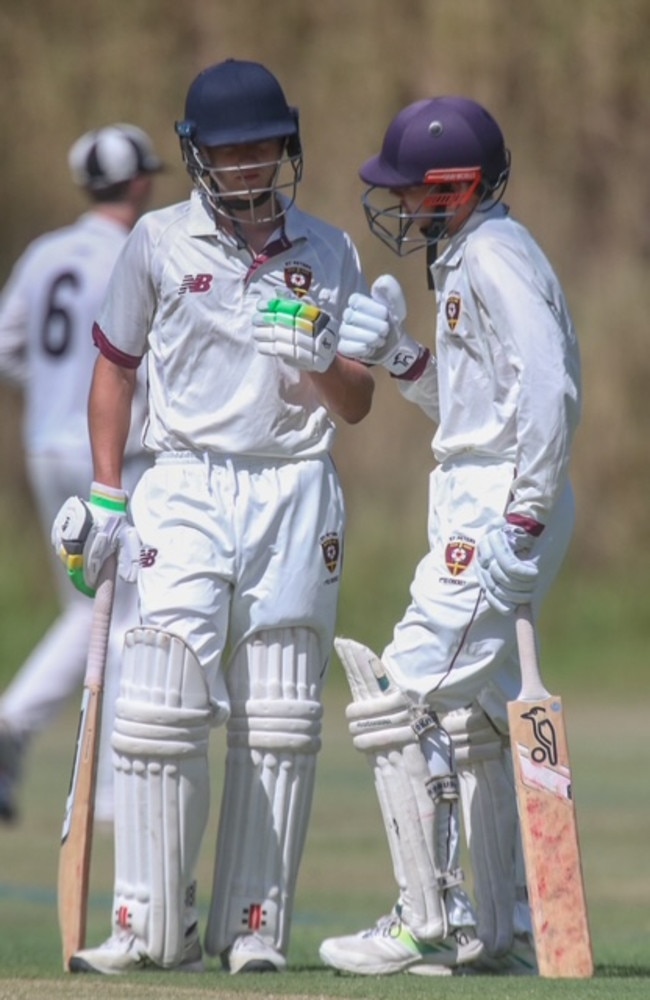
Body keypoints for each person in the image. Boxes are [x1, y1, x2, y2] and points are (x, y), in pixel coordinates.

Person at [50, 58, 375, 975]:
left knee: (278, 713)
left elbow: (354, 405)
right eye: (230, 150)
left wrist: (320, 359)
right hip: (185, 482)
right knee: (158, 701)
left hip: (294, 481)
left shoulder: (328, 250)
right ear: (198, 155)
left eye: (264, 146)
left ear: (288, 144)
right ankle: (149, 922)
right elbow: (114, 367)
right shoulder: (157, 240)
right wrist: (109, 490)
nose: (248, 164)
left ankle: (254, 924)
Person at [318, 96, 581, 976]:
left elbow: (550, 389)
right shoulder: (470, 251)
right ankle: (499, 930)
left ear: (458, 188)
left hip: (498, 502)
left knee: (402, 693)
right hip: (484, 488)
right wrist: (399, 354)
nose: (401, 206)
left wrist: (525, 514)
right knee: (471, 720)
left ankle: (424, 918)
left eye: (414, 191)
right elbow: (471, 402)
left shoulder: (496, 258)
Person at [0, 124, 163, 824]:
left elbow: (8, 349)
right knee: (122, 613)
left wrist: (50, 394)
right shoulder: (140, 250)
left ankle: (12, 722)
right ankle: (109, 790)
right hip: (112, 452)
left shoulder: (45, 254)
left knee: (85, 609)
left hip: (45, 448)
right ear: (141, 183)